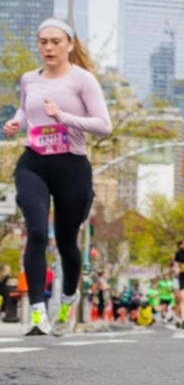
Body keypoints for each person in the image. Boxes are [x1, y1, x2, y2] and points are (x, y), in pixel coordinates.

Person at [4, 18, 112, 336]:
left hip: (72, 168)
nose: (49, 48)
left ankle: (67, 299)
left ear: (70, 45)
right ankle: (38, 313)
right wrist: (15, 122)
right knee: (36, 232)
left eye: (55, 41)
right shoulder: (29, 79)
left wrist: (63, 117)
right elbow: (27, 111)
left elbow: (104, 124)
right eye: (43, 42)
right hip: (34, 163)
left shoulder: (83, 80)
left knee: (67, 242)